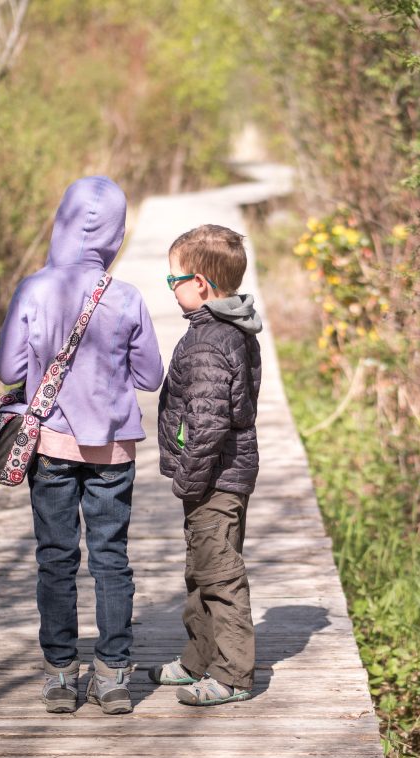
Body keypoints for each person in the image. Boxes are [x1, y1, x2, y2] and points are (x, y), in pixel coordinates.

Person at [0, 176, 163, 715]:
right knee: (112, 561)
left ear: (62, 222)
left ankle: (61, 675)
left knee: (56, 559)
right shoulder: (127, 296)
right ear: (116, 232)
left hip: (51, 449)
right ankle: (113, 676)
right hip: (113, 451)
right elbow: (150, 376)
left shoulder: (33, 289)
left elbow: (8, 370)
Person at [150, 224, 262, 705]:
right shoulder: (227, 329)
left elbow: (211, 423)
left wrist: (186, 480)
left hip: (213, 478)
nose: (171, 288)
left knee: (220, 574)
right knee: (201, 569)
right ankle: (200, 658)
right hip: (221, 475)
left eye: (173, 280)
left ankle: (233, 675)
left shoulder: (207, 344)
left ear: (199, 284)